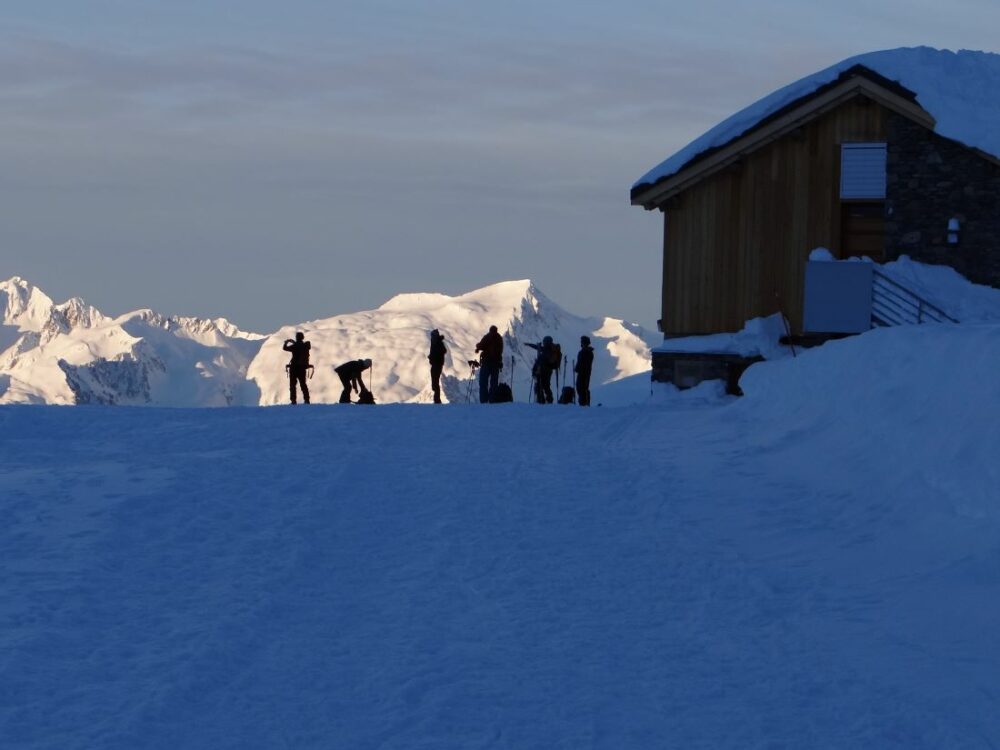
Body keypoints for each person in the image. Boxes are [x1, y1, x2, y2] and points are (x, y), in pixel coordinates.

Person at [474, 325, 503, 403]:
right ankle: (492, 400)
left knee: (483, 383)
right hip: (495, 364)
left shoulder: (487, 337)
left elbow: (481, 345)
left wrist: (477, 348)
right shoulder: (499, 338)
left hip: (486, 363)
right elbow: (500, 352)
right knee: (493, 384)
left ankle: (484, 401)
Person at [527, 335, 558, 404]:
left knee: (541, 386)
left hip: (543, 371)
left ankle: (542, 400)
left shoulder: (546, 351)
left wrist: (535, 370)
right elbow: (538, 348)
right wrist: (530, 345)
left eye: (544, 342)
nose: (543, 343)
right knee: (546, 385)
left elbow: (540, 360)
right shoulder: (549, 350)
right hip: (548, 371)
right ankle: (548, 400)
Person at [282, 331, 311, 404]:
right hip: (302, 368)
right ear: (302, 337)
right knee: (303, 384)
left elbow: (284, 348)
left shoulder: (294, 346)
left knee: (292, 385)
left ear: (296, 337)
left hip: (294, 368)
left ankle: (293, 400)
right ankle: (307, 400)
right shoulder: (305, 346)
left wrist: (287, 342)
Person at [428, 329, 447, 404]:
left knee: (435, 382)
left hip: (437, 364)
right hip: (436, 364)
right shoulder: (435, 343)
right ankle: (437, 399)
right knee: (435, 382)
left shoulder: (438, 343)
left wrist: (433, 357)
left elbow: (442, 351)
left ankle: (437, 400)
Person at [575, 335, 595, 406]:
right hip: (582, 373)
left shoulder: (587, 352)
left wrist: (578, 368)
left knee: (583, 388)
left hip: (585, 373)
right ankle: (583, 403)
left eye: (582, 342)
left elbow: (585, 364)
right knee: (580, 387)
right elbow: (580, 362)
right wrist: (577, 368)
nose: (581, 343)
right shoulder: (583, 352)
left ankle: (584, 403)